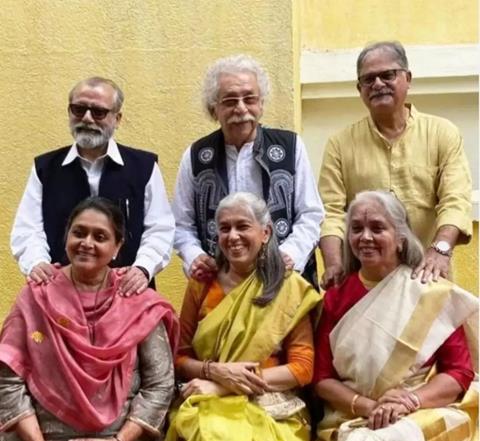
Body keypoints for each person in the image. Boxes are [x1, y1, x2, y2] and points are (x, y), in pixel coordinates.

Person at [292, 191, 478, 441]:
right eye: (356, 228)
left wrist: (408, 401)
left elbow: (459, 373)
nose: (365, 237)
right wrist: (368, 406)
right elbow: (321, 379)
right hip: (351, 415)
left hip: (424, 411)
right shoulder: (336, 298)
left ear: (401, 237)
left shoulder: (430, 291)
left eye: (378, 228)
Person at [0, 197, 178, 441]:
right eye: (78, 233)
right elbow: (8, 380)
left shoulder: (137, 303)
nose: (87, 243)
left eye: (100, 237)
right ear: (65, 237)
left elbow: (160, 385)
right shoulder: (35, 297)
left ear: (118, 247)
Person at [157, 192, 321, 441]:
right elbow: (180, 356)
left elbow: (303, 368)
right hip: (203, 398)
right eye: (224, 228)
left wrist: (229, 385)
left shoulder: (289, 287)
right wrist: (215, 372)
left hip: (271, 403)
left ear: (265, 233)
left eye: (242, 226)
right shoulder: (202, 284)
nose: (232, 236)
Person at [319, 41, 472, 289]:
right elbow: (331, 212)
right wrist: (334, 264)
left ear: (407, 79)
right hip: (365, 282)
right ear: (360, 89)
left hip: (427, 275)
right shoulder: (340, 144)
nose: (378, 84)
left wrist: (441, 250)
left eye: (387, 75)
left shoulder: (442, 133)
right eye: (369, 79)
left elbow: (455, 200)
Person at [11, 76, 175, 296]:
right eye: (78, 109)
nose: (87, 118)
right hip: (59, 295)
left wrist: (143, 268)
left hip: (127, 295)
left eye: (98, 112)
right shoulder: (45, 168)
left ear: (117, 118)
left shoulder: (143, 167)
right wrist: (37, 263)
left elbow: (160, 228)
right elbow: (28, 228)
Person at [172, 55, 324, 287]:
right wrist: (195, 256)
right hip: (221, 282)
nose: (241, 108)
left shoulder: (290, 147)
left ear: (261, 104)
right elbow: (182, 224)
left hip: (284, 280)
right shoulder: (196, 156)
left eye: (249, 99)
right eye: (230, 100)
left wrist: (289, 255)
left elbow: (311, 214)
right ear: (214, 109)